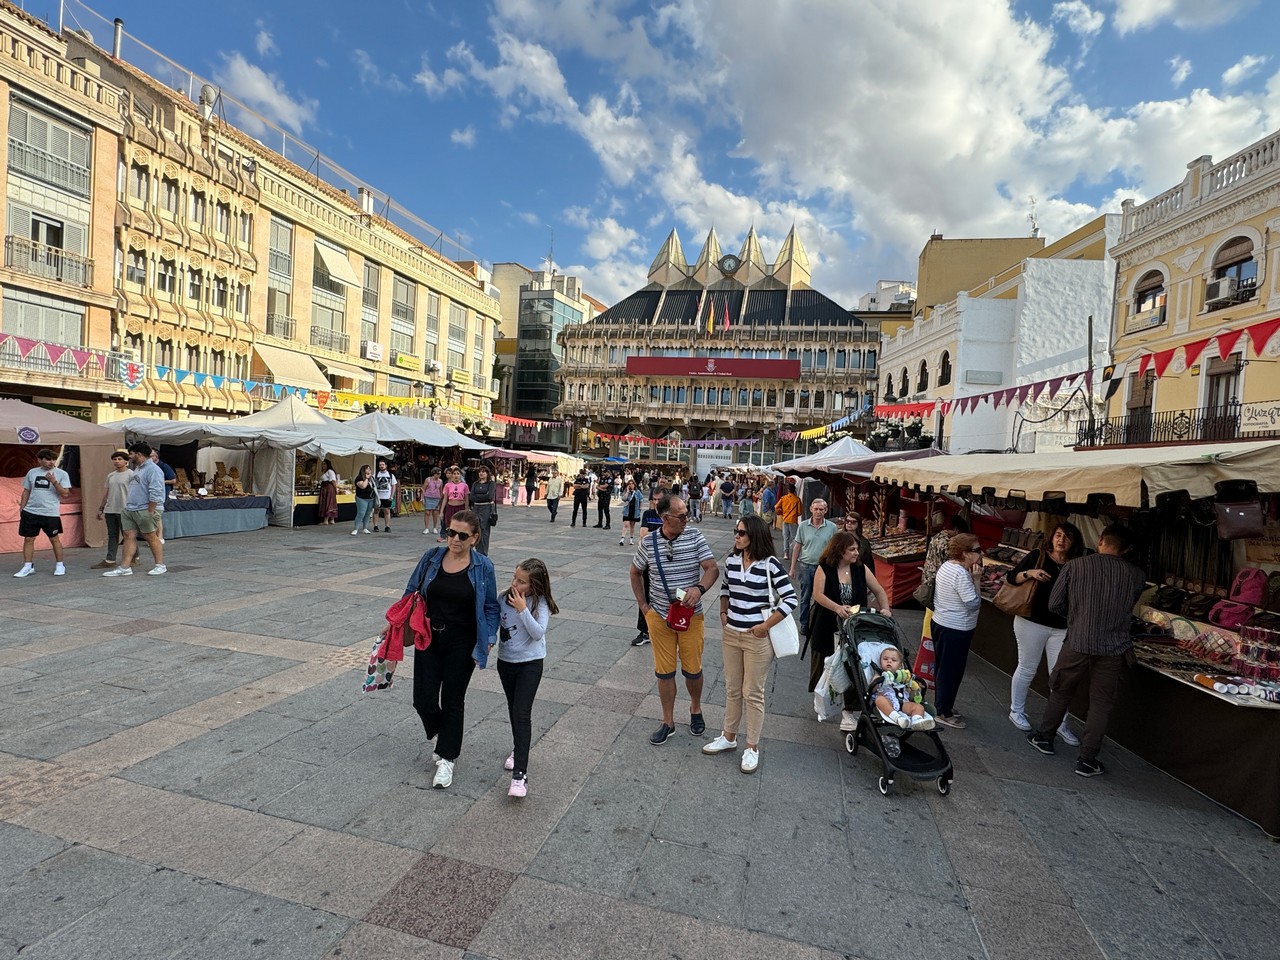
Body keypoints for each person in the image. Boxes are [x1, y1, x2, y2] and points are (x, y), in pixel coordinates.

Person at [1027, 526, 1147, 777]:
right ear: (1125, 549)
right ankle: (1087, 759)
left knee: (1061, 690)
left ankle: (1045, 737)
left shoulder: (1075, 566)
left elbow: (1055, 604)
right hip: (1113, 648)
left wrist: (1077, 618)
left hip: (1078, 641)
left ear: (1101, 541)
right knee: (1101, 704)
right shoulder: (1136, 575)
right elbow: (1128, 606)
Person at [403, 509, 500, 789]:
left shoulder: (483, 566)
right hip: (428, 636)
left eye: (461, 535)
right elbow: (411, 592)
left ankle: (447, 758)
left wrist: (490, 636)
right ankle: (444, 734)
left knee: (453, 700)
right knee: (423, 699)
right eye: (449, 532)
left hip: (464, 639)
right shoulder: (431, 558)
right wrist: (396, 622)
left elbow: (491, 606)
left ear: (475, 538)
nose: (453, 539)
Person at [704, 514, 796, 773]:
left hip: (757, 638)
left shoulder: (770, 564)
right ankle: (728, 736)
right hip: (731, 634)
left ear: (754, 536)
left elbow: (790, 599)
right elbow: (725, 588)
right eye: (736, 531)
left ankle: (752, 746)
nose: (737, 535)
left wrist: (765, 626)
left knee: (753, 693)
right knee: (733, 688)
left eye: (742, 532)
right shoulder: (732, 560)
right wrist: (723, 613)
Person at [630, 494, 720, 744]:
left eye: (686, 513)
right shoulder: (649, 543)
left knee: (693, 670)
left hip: (691, 616)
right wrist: (643, 606)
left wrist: (699, 589)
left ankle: (695, 708)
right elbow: (635, 572)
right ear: (664, 517)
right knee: (664, 673)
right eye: (680, 515)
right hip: (659, 616)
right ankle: (667, 721)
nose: (685, 518)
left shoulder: (694, 536)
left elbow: (712, 568)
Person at [1006, 522, 1085, 744]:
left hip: (1061, 626)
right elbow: (1012, 577)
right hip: (1031, 621)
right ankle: (1017, 710)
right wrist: (1029, 573)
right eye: (1058, 535)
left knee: (1059, 676)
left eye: (1067, 538)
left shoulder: (1076, 565)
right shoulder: (1038, 555)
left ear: (1074, 542)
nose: (1061, 541)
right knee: (1027, 666)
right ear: (1051, 538)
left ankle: (1060, 722)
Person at [807, 531, 892, 731]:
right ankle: (823, 697)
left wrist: (885, 608)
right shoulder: (825, 568)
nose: (856, 553)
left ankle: (850, 710)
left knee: (854, 664)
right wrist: (836, 607)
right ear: (840, 550)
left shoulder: (860, 569)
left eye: (857, 549)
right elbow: (817, 594)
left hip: (854, 625)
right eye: (852, 549)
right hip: (826, 622)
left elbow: (879, 590)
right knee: (825, 662)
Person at [496, 558, 558, 798]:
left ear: (534, 586)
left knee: (522, 713)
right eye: (515, 578)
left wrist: (522, 609)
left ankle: (520, 775)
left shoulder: (538, 603)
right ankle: (517, 749)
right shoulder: (503, 598)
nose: (515, 584)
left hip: (530, 664)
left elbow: (537, 633)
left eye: (522, 582)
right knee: (514, 710)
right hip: (506, 662)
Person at [930, 533, 983, 728]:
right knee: (952, 670)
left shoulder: (946, 566)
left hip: (941, 622)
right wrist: (976, 580)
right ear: (964, 553)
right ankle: (944, 711)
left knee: (943, 668)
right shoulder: (961, 574)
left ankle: (943, 704)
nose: (981, 553)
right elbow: (973, 604)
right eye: (976, 550)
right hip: (956, 627)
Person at [103, 442, 165, 577]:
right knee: (128, 536)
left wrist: (151, 509)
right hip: (131, 508)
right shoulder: (138, 469)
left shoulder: (153, 469)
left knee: (150, 536)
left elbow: (156, 491)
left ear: (139, 454)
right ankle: (125, 567)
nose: (129, 457)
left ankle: (160, 565)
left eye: (131, 454)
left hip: (145, 508)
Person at [13, 448, 71, 578]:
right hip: (31, 511)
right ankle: (28, 566)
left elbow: (65, 493)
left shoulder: (61, 474)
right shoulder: (32, 473)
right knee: (28, 539)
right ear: (40, 460)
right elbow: (26, 490)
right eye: (48, 459)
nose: (51, 462)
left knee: (54, 539)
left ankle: (60, 565)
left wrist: (54, 481)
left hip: (50, 512)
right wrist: (22, 507)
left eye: (53, 459)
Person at [789, 498, 837, 634]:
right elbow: (797, 547)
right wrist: (792, 567)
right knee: (805, 597)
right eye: (816, 509)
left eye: (821, 509)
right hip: (805, 566)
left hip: (823, 568)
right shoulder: (803, 526)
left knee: (822, 597)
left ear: (826, 511)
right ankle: (804, 624)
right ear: (811, 509)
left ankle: (819, 624)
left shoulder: (832, 528)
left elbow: (835, 548)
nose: (818, 512)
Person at [870, 647, 934, 730]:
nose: (889, 661)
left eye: (893, 660)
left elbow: (910, 690)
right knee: (880, 700)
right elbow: (872, 689)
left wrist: (914, 687)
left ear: (900, 665)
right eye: (885, 659)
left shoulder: (903, 676)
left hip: (903, 703)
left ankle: (917, 720)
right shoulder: (879, 675)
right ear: (880, 662)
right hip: (888, 702)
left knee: (918, 707)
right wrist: (879, 680)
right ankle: (897, 718)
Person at [92, 450, 133, 569]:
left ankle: (134, 556)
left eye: (120, 459)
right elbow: (107, 492)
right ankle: (110, 559)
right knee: (112, 535)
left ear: (126, 461)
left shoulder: (131, 474)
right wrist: (101, 508)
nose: (117, 461)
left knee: (128, 535)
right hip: (111, 509)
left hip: (125, 509)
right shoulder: (111, 475)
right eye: (115, 459)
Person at [469, 464, 498, 556]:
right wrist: (482, 496)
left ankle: (483, 553)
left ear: (487, 473)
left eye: (483, 472)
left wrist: (479, 497)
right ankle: (475, 548)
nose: (481, 473)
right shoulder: (475, 484)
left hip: (486, 508)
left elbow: (489, 496)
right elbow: (472, 497)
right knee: (475, 528)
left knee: (484, 530)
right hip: (476, 508)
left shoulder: (491, 483)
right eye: (480, 472)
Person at [149, 450, 176, 542]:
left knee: (157, 516)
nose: (150, 458)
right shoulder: (148, 467)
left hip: (162, 493)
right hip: (150, 495)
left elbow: (173, 480)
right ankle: (154, 537)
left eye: (151, 456)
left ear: (157, 457)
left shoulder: (164, 466)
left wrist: (160, 481)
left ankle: (160, 536)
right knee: (154, 517)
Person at [439, 466, 469, 541]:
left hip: (460, 507)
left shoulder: (464, 486)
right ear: (452, 475)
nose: (456, 475)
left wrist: (466, 510)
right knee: (450, 525)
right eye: (454, 473)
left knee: (460, 524)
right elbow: (445, 499)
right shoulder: (447, 485)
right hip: (450, 507)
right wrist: (441, 511)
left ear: (460, 475)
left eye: (458, 473)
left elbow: (466, 499)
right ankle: (450, 541)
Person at [777, 479, 802, 560]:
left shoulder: (783, 498)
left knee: (786, 537)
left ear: (788, 490)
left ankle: (786, 554)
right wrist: (795, 514)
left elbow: (776, 507)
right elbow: (800, 512)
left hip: (785, 519)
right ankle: (796, 555)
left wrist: (781, 513)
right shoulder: (797, 499)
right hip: (793, 520)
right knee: (795, 538)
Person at [372, 459, 396, 532]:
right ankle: (375, 526)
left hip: (387, 496)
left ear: (386, 465)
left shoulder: (390, 475)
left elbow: (393, 485)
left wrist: (392, 495)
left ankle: (387, 526)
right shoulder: (375, 475)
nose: (381, 466)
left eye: (383, 465)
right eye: (380, 465)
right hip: (378, 496)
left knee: (387, 511)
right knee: (376, 510)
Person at [352, 464, 377, 535]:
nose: (369, 470)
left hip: (370, 498)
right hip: (361, 498)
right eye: (367, 469)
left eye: (370, 469)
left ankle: (365, 528)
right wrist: (366, 478)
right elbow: (363, 486)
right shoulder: (359, 478)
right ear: (363, 470)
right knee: (361, 513)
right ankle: (356, 529)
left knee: (368, 513)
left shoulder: (371, 478)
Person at [620, 479, 643, 546]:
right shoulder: (627, 491)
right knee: (626, 525)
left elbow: (641, 500)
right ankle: (622, 539)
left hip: (635, 511)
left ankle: (631, 539)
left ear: (634, 485)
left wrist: (640, 508)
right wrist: (627, 491)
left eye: (632, 484)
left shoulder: (637, 492)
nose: (631, 485)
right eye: (629, 484)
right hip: (627, 510)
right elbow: (623, 499)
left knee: (632, 526)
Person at [421, 468, 443, 535]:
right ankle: (426, 528)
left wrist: (441, 499)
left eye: (440, 473)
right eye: (438, 473)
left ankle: (434, 527)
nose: (439, 475)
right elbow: (423, 488)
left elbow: (440, 490)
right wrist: (422, 498)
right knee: (427, 512)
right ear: (434, 473)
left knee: (435, 513)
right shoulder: (428, 479)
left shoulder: (440, 481)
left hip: (436, 498)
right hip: (428, 497)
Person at [318, 458, 339, 525]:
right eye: (322, 464)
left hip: (329, 488)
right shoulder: (326, 472)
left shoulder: (330, 471)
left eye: (324, 464)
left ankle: (326, 520)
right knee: (329, 502)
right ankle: (331, 519)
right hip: (325, 488)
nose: (323, 465)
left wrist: (335, 489)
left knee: (328, 502)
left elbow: (333, 481)